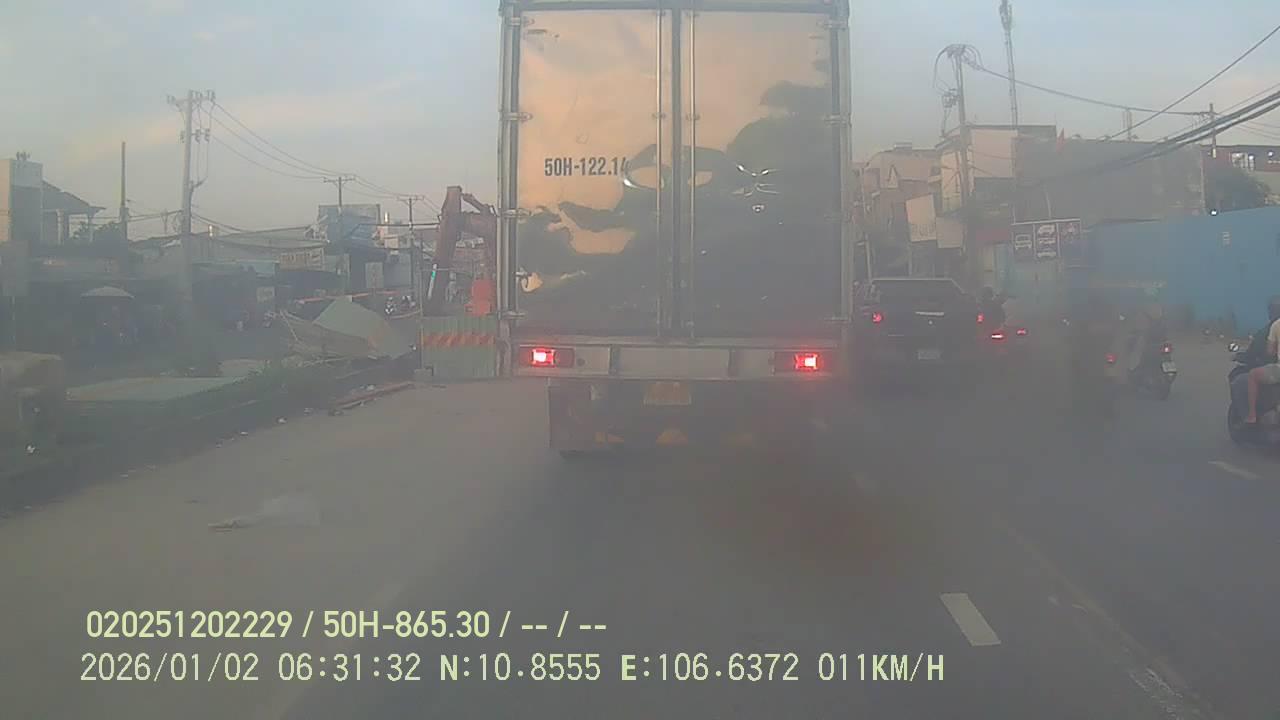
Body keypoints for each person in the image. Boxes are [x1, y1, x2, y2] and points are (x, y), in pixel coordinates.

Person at [1244, 297, 1280, 423]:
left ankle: (1252, 416)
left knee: (1253, 375)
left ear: (1271, 312)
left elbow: (1270, 352)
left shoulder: (1275, 326)